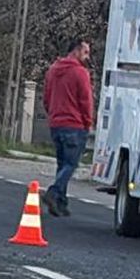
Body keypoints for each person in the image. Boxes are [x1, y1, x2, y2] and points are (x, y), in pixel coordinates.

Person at [42, 38, 93, 217]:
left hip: (56, 124)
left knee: (62, 163)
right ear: (76, 51)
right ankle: (54, 192)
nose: (88, 57)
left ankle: (60, 203)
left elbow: (46, 98)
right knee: (71, 164)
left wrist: (53, 114)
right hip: (74, 125)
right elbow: (86, 101)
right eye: (86, 52)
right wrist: (87, 123)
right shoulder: (80, 73)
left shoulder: (53, 70)